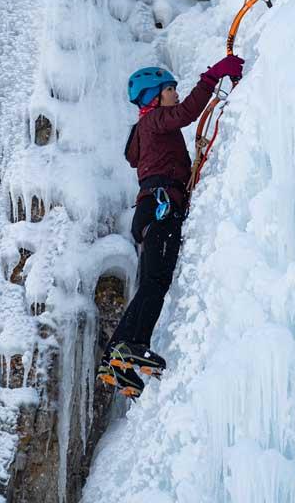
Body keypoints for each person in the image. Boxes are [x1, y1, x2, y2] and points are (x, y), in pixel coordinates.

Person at [97, 54, 245, 397]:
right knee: (155, 282)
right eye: (170, 89)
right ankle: (133, 345)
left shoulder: (146, 129)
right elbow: (186, 114)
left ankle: (114, 360)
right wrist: (212, 77)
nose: (176, 93)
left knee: (152, 282)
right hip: (162, 205)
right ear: (154, 97)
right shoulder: (154, 122)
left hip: (151, 208)